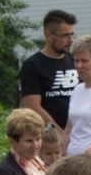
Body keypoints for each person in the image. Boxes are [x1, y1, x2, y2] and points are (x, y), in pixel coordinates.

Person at [19, 10, 79, 159]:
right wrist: (59, 132)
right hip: (49, 143)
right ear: (48, 35)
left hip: (78, 137)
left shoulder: (75, 61)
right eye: (65, 35)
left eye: (72, 35)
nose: (70, 40)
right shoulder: (32, 66)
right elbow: (33, 106)